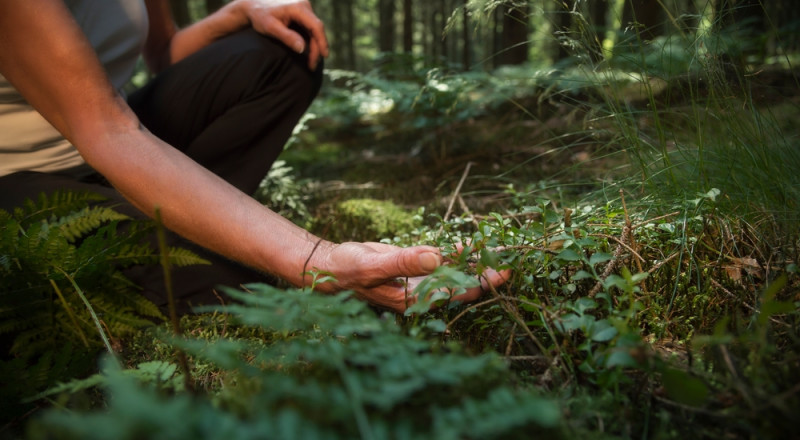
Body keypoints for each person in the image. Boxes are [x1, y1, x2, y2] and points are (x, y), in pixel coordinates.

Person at [0, 0, 508, 314]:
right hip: (27, 177)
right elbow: (109, 130)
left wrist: (237, 13)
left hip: (122, 132)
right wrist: (317, 260)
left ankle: (186, 217)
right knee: (243, 276)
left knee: (285, 50)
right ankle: (192, 236)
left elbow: (163, 57)